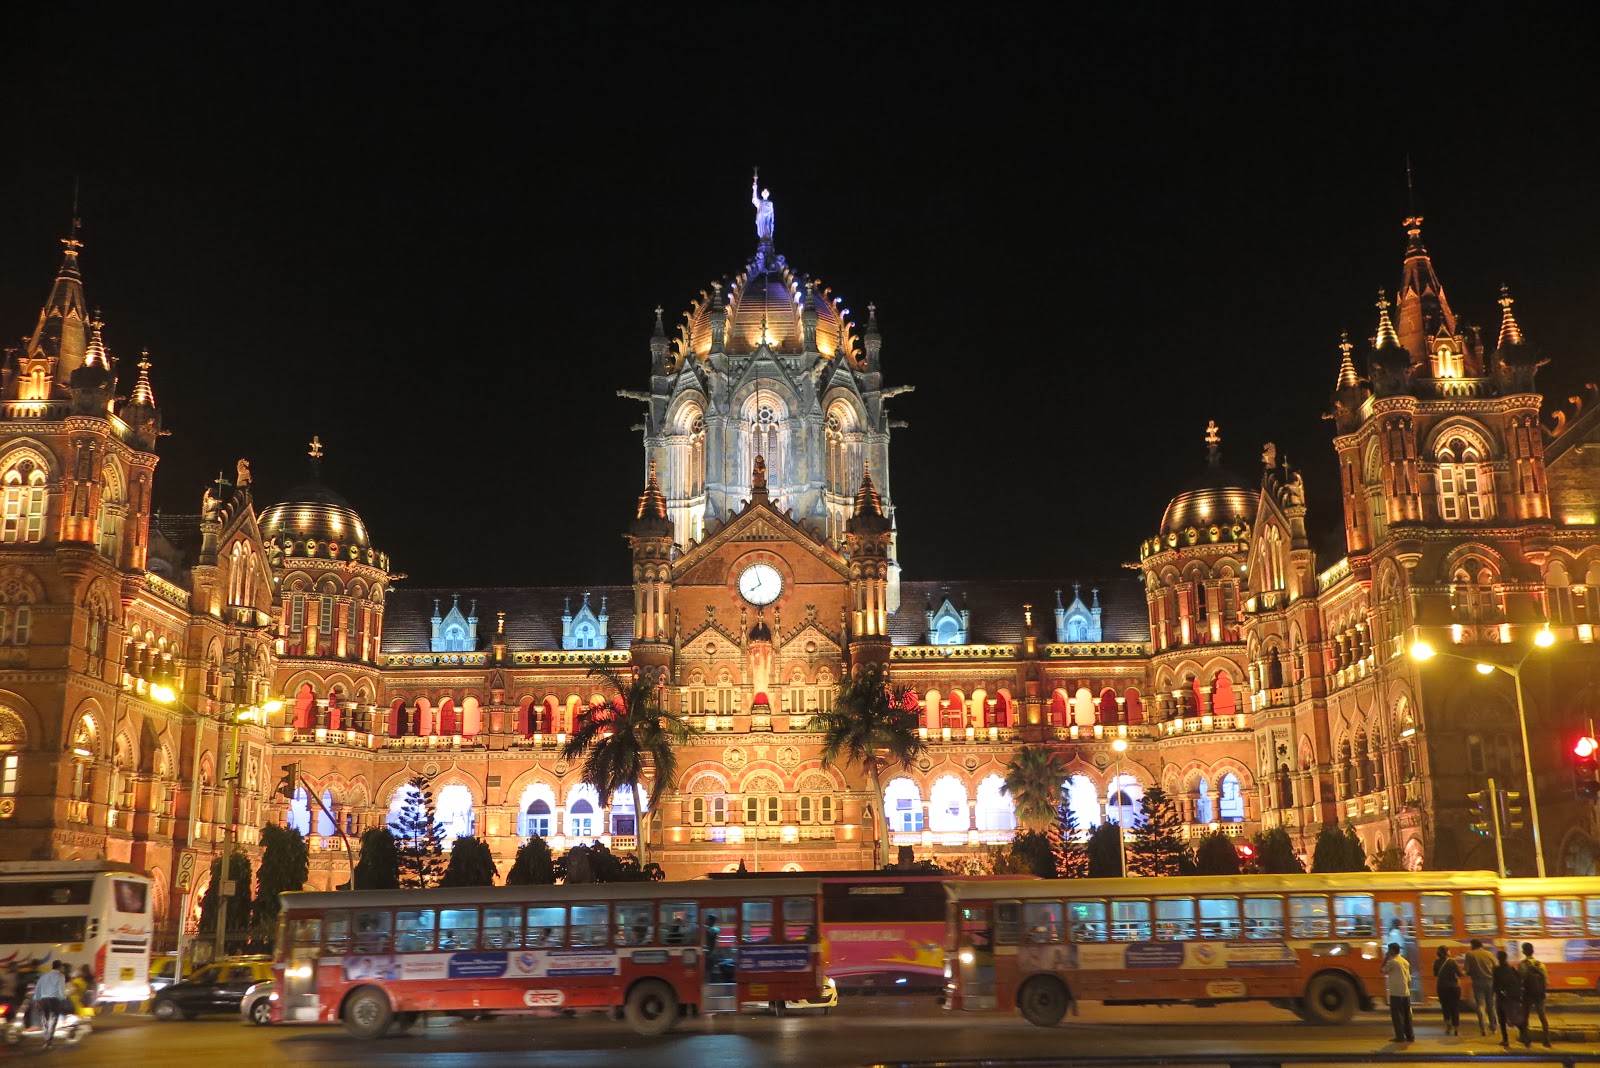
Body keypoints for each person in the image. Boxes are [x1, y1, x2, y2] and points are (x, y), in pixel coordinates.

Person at [1518, 942, 1552, 1048]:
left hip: (1527, 994)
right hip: (1539, 995)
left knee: (1525, 1016)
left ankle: (1526, 1040)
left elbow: (1520, 981)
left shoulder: (1522, 965)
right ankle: (1547, 1040)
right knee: (1542, 1016)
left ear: (1523, 952)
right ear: (1533, 951)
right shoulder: (1540, 964)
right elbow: (1546, 981)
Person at [1463, 938, 1498, 1035]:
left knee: (1480, 1005)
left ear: (1473, 945)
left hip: (1477, 982)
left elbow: (1467, 970)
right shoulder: (1489, 954)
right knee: (1491, 1005)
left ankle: (1483, 1029)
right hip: (1490, 982)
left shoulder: (1469, 954)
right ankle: (1493, 1028)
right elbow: (1496, 966)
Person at [1382, 942, 1414, 1042]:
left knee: (1397, 1015)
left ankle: (1400, 1036)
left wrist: (1386, 958)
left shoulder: (1392, 962)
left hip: (1396, 992)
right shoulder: (1405, 961)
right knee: (1407, 1015)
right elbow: (1409, 978)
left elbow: (1382, 970)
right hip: (1406, 992)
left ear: (1392, 950)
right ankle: (1410, 1036)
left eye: (1389, 950)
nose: (1388, 951)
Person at [32, 961, 68, 1049]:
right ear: (59, 967)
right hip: (55, 1000)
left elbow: (38, 988)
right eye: (62, 967)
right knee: (53, 1020)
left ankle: (46, 1039)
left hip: (44, 1000)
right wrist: (64, 999)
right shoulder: (60, 976)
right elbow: (61, 989)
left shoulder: (44, 976)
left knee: (45, 1019)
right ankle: (49, 1041)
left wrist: (37, 1000)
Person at [1492, 948, 1523, 1048]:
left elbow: (1495, 983)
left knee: (1502, 1019)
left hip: (1502, 998)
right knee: (1513, 1017)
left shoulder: (1496, 969)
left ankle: (1505, 1040)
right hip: (1512, 997)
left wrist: (1493, 993)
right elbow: (1519, 980)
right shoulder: (1511, 968)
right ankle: (1525, 1035)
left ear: (1498, 958)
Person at [1432, 944, 1462, 1035]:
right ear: (1447, 952)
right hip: (1454, 987)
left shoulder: (1436, 962)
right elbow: (1459, 974)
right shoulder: (1452, 962)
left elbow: (1435, 974)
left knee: (1445, 1007)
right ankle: (1456, 1029)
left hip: (1441, 987)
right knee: (1455, 1007)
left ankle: (1448, 1027)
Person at [703, 913, 722, 979]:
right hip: (709, 953)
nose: (705, 921)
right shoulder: (711, 929)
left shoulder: (712, 930)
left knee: (708, 970)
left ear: (711, 921)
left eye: (707, 920)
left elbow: (713, 931)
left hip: (711, 954)